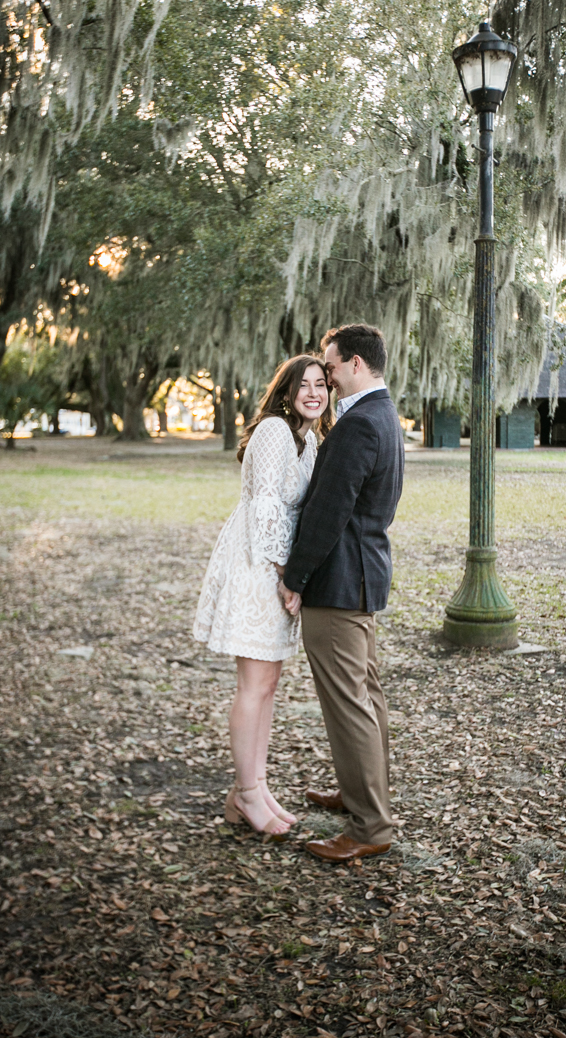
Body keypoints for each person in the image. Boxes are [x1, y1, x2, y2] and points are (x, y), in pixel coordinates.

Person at [280, 324, 405, 863]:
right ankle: (361, 794)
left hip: (338, 583)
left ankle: (370, 825)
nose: (326, 380)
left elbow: (329, 513)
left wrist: (294, 577)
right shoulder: (383, 416)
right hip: (363, 576)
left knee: (349, 705)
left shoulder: (359, 426)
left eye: (329, 369)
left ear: (355, 364)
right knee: (366, 697)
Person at [193, 356, 332, 837]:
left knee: (268, 683)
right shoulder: (275, 431)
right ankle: (248, 792)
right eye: (304, 385)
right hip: (257, 565)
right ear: (286, 391)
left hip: (277, 566)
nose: (314, 392)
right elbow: (269, 506)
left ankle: (250, 788)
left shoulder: (308, 438)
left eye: (322, 384)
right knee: (254, 684)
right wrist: (286, 576)